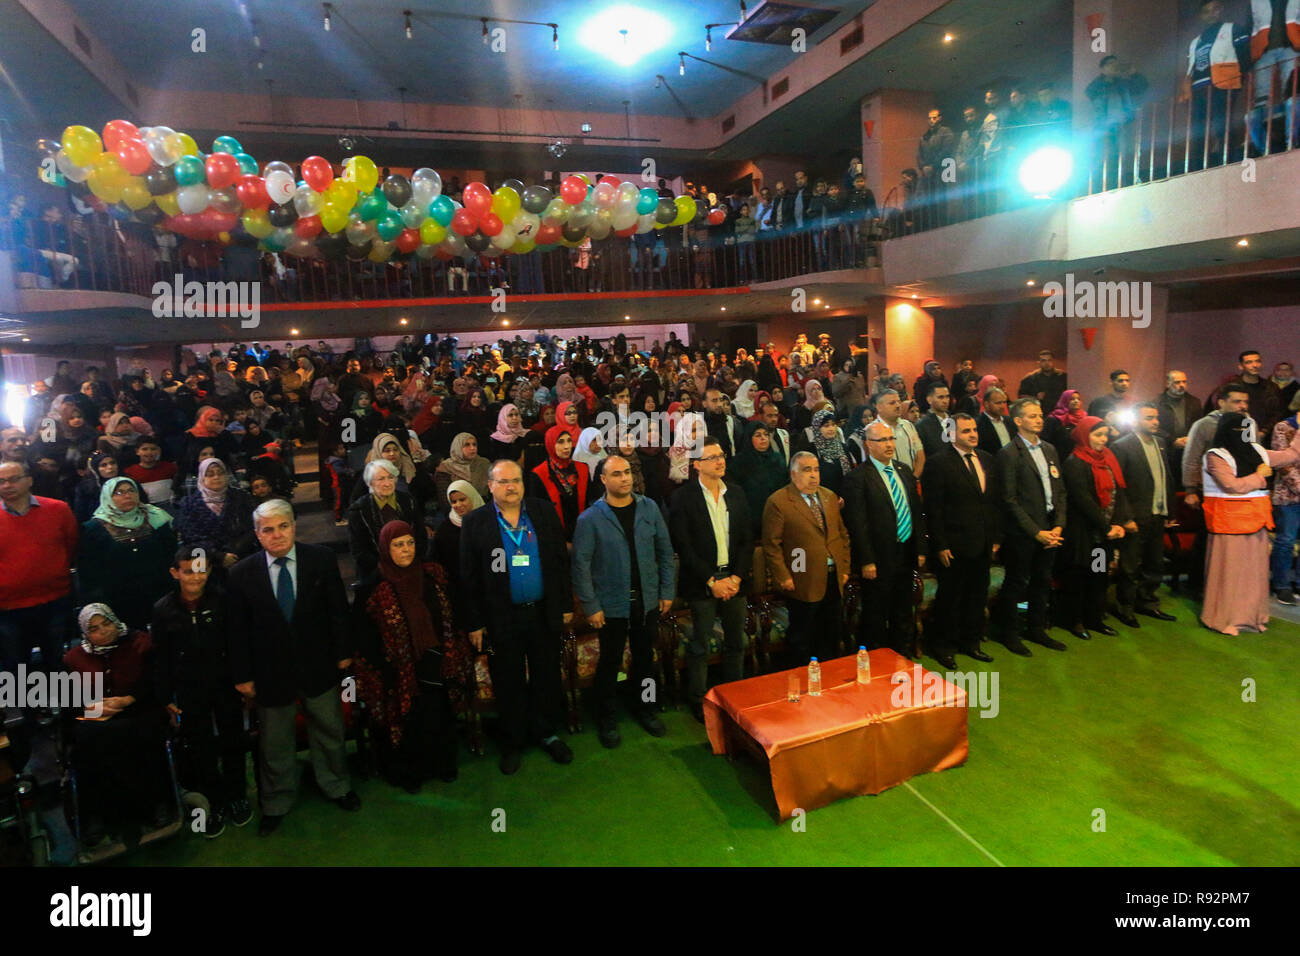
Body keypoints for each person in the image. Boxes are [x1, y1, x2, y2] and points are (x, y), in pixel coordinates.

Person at [227, 499, 359, 835]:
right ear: (257, 534)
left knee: (329, 730)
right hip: (270, 672)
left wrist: (344, 652)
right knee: (275, 742)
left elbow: (337, 611)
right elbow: (237, 630)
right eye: (268, 529)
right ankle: (276, 800)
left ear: (293, 526)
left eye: (282, 526)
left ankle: (336, 785)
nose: (276, 535)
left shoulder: (321, 559)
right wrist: (243, 675)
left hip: (319, 663)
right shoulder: (241, 574)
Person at [459, 460, 574, 774]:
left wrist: (565, 605)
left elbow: (559, 562)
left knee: (546, 675)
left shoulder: (542, 511)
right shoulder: (475, 522)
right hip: (501, 619)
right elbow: (468, 578)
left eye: (516, 481)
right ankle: (513, 742)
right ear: (490, 485)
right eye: (504, 481)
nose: (511, 487)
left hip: (541, 612)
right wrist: (475, 623)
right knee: (507, 679)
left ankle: (547, 733)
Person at [353, 520, 471, 792]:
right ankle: (410, 772)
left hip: (438, 660)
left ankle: (443, 764)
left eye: (409, 543)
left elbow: (453, 611)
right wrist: (387, 666)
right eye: (398, 545)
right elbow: (364, 635)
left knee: (438, 714)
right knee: (409, 721)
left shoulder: (433, 575)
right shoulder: (372, 587)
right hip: (397, 671)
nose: (405, 550)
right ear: (385, 548)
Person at [571, 455, 673, 748]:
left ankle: (647, 708)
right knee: (610, 663)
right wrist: (591, 606)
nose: (624, 478)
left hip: (647, 600)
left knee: (645, 660)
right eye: (616, 474)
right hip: (611, 605)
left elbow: (665, 553)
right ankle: (607, 718)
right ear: (603, 480)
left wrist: (666, 591)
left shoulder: (649, 507)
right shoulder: (590, 518)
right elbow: (581, 566)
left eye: (627, 472)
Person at [151, 548, 250, 838]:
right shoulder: (163, 609)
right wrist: (166, 696)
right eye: (188, 570)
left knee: (233, 739)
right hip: (189, 688)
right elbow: (161, 657)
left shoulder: (224, 599)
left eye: (201, 570)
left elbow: (237, 642)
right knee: (201, 746)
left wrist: (243, 680)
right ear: (175, 573)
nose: (196, 577)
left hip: (225, 684)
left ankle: (237, 795)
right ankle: (213, 801)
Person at [64, 603, 174, 848]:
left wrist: (129, 698)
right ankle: (98, 816)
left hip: (139, 710)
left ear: (116, 620)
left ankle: (156, 804)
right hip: (95, 717)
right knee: (85, 744)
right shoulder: (73, 659)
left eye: (107, 623)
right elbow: (68, 704)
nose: (103, 632)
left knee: (142, 733)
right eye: (94, 629)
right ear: (85, 633)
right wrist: (94, 708)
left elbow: (155, 680)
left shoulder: (140, 643)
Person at [669, 436, 753, 721]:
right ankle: (698, 700)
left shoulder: (737, 493)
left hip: (734, 579)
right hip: (702, 581)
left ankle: (735, 694)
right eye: (712, 457)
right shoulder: (683, 498)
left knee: (736, 642)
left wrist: (737, 578)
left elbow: (745, 540)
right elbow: (684, 546)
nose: (720, 461)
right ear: (696, 465)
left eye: (721, 456)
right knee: (700, 644)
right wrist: (711, 582)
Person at [1200, 412, 1300, 634]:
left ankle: (1252, 617)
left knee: (1254, 573)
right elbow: (1231, 485)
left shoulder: (1258, 450)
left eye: (1247, 428)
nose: (1243, 434)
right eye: (1238, 429)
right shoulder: (1216, 455)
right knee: (1229, 572)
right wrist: (1259, 476)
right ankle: (1221, 619)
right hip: (1228, 523)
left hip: (1256, 522)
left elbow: (1291, 456)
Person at [921, 413, 1000, 668]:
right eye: (966, 431)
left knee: (977, 596)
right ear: (952, 434)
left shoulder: (987, 459)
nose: (973, 434)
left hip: (983, 542)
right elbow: (934, 508)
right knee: (950, 598)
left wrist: (995, 538)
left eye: (974, 429)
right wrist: (940, 544)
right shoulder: (939, 463)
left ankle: (971, 642)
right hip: (953, 545)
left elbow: (992, 504)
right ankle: (943, 646)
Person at [842, 421, 927, 657]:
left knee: (902, 610)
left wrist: (920, 549)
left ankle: (902, 657)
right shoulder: (858, 478)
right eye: (883, 440)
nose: (889, 445)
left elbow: (915, 512)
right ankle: (878, 662)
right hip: (878, 559)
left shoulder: (904, 471)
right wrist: (867, 560)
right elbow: (858, 524)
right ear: (869, 444)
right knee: (876, 614)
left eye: (891, 439)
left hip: (906, 552)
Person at [763, 451, 852, 666]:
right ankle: (801, 681)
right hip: (802, 576)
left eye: (816, 470)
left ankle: (831, 680)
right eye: (806, 470)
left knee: (832, 632)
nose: (813, 475)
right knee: (802, 636)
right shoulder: (779, 501)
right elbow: (772, 545)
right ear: (793, 474)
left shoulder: (829, 496)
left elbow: (842, 534)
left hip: (834, 576)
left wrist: (845, 567)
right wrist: (786, 576)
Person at [994, 399, 1068, 655]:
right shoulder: (1009, 453)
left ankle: (1037, 629)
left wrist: (1058, 525)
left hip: (1050, 527)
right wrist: (1036, 532)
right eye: (1032, 416)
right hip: (1024, 532)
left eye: (1040, 415)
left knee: (1042, 580)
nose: (1039, 419)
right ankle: (1010, 633)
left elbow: (1059, 491)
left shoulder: (1049, 449)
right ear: (1018, 421)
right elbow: (1009, 500)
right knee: (1017, 582)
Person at [0, 459, 78, 682]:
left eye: (14, 479)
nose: (7, 485)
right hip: (7, 608)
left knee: (56, 661)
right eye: (1, 481)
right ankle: (29, 716)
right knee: (15, 667)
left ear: (29, 480)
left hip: (54, 601)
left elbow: (70, 546)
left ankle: (64, 712)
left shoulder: (58, 509)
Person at [1058, 417, 1132, 640]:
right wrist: (1106, 526)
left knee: (1098, 576)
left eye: (1105, 435)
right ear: (1084, 436)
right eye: (1097, 435)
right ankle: (1075, 620)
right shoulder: (1075, 462)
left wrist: (1118, 523)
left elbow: (1117, 493)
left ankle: (1094, 618)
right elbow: (1083, 500)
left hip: (1102, 536)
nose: (1103, 439)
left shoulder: (1108, 458)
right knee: (1079, 577)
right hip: (1084, 534)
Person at [78, 477, 177, 630]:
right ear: (107, 497)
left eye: (131, 490)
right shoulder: (93, 528)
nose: (127, 496)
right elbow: (89, 571)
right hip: (118, 599)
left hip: (159, 593)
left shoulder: (156, 517)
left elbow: (172, 555)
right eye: (119, 492)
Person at [1112, 403, 1179, 624]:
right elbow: (1118, 487)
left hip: (1158, 513)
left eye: (1156, 417)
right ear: (1136, 421)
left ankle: (1147, 602)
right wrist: (1125, 517)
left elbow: (1165, 477)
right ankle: (1125, 607)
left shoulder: (1160, 443)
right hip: (1135, 516)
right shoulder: (1122, 446)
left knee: (1154, 563)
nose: (1155, 422)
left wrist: (1169, 510)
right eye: (1149, 418)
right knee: (1130, 566)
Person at [348, 459, 428, 580]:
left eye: (390, 477)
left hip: (411, 566)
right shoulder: (358, 510)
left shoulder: (409, 501)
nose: (387, 483)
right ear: (370, 483)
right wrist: (386, 567)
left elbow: (421, 536)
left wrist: (411, 560)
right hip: (377, 572)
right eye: (381, 479)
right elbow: (359, 551)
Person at [175, 458, 257, 573]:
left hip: (242, 558)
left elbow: (253, 527)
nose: (216, 477)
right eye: (210, 474)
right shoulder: (189, 504)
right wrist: (218, 556)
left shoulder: (241, 497)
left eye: (220, 473)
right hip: (205, 562)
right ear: (202, 478)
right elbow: (190, 538)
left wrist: (235, 552)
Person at [1182, 385, 1250, 508]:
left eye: (1245, 402)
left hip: (1244, 488)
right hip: (1213, 488)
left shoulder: (1249, 423)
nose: (1243, 406)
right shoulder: (1204, 425)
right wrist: (1190, 490)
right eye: (1237, 402)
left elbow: (1256, 454)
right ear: (1221, 403)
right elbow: (1192, 458)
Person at [526, 425, 591, 541]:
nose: (566, 446)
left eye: (569, 441)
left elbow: (590, 502)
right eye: (560, 442)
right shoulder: (538, 474)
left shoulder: (583, 468)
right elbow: (537, 512)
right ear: (550, 444)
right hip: (554, 537)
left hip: (584, 533)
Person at [734, 423, 790, 538]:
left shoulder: (777, 460)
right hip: (751, 517)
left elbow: (786, 486)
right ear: (749, 438)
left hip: (776, 514)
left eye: (766, 434)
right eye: (758, 435)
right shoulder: (739, 463)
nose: (763, 438)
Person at [1270, 396, 1300, 603]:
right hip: (1288, 495)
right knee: (1286, 540)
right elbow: (1281, 463)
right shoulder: (1284, 427)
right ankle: (1281, 584)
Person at [432, 479, 484, 594]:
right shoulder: (445, 530)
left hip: (489, 584)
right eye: (454, 502)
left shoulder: (488, 521)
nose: (458, 505)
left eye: (462, 499)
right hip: (459, 589)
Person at [1155, 370, 1201, 477]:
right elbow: (1155, 427)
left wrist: (1190, 438)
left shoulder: (1194, 402)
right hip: (1167, 449)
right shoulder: (1157, 403)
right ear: (1168, 384)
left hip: (1189, 447)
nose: (1182, 385)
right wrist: (1173, 440)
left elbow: (1199, 424)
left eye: (1184, 382)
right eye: (1177, 382)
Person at [805, 407, 858, 496]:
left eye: (833, 425)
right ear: (817, 428)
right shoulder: (812, 451)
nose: (831, 428)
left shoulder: (842, 447)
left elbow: (851, 474)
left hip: (846, 497)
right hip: (824, 499)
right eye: (826, 425)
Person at [872, 388, 925, 476]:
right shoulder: (871, 430)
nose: (897, 405)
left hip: (911, 480)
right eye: (892, 403)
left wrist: (914, 478)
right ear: (879, 407)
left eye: (899, 402)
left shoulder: (909, 425)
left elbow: (920, 454)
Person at [434, 432, 490, 504]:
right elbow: (446, 499)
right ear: (458, 447)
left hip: (485, 506)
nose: (472, 448)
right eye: (467, 445)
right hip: (458, 508)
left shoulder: (483, 463)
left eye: (474, 444)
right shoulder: (446, 468)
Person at [916, 382, 953, 458]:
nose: (945, 401)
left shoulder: (953, 420)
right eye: (940, 397)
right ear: (929, 400)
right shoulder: (922, 426)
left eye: (947, 397)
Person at [977, 385, 1013, 455]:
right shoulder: (978, 424)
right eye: (998, 403)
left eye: (1004, 402)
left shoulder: (1010, 421)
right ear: (986, 404)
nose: (1002, 406)